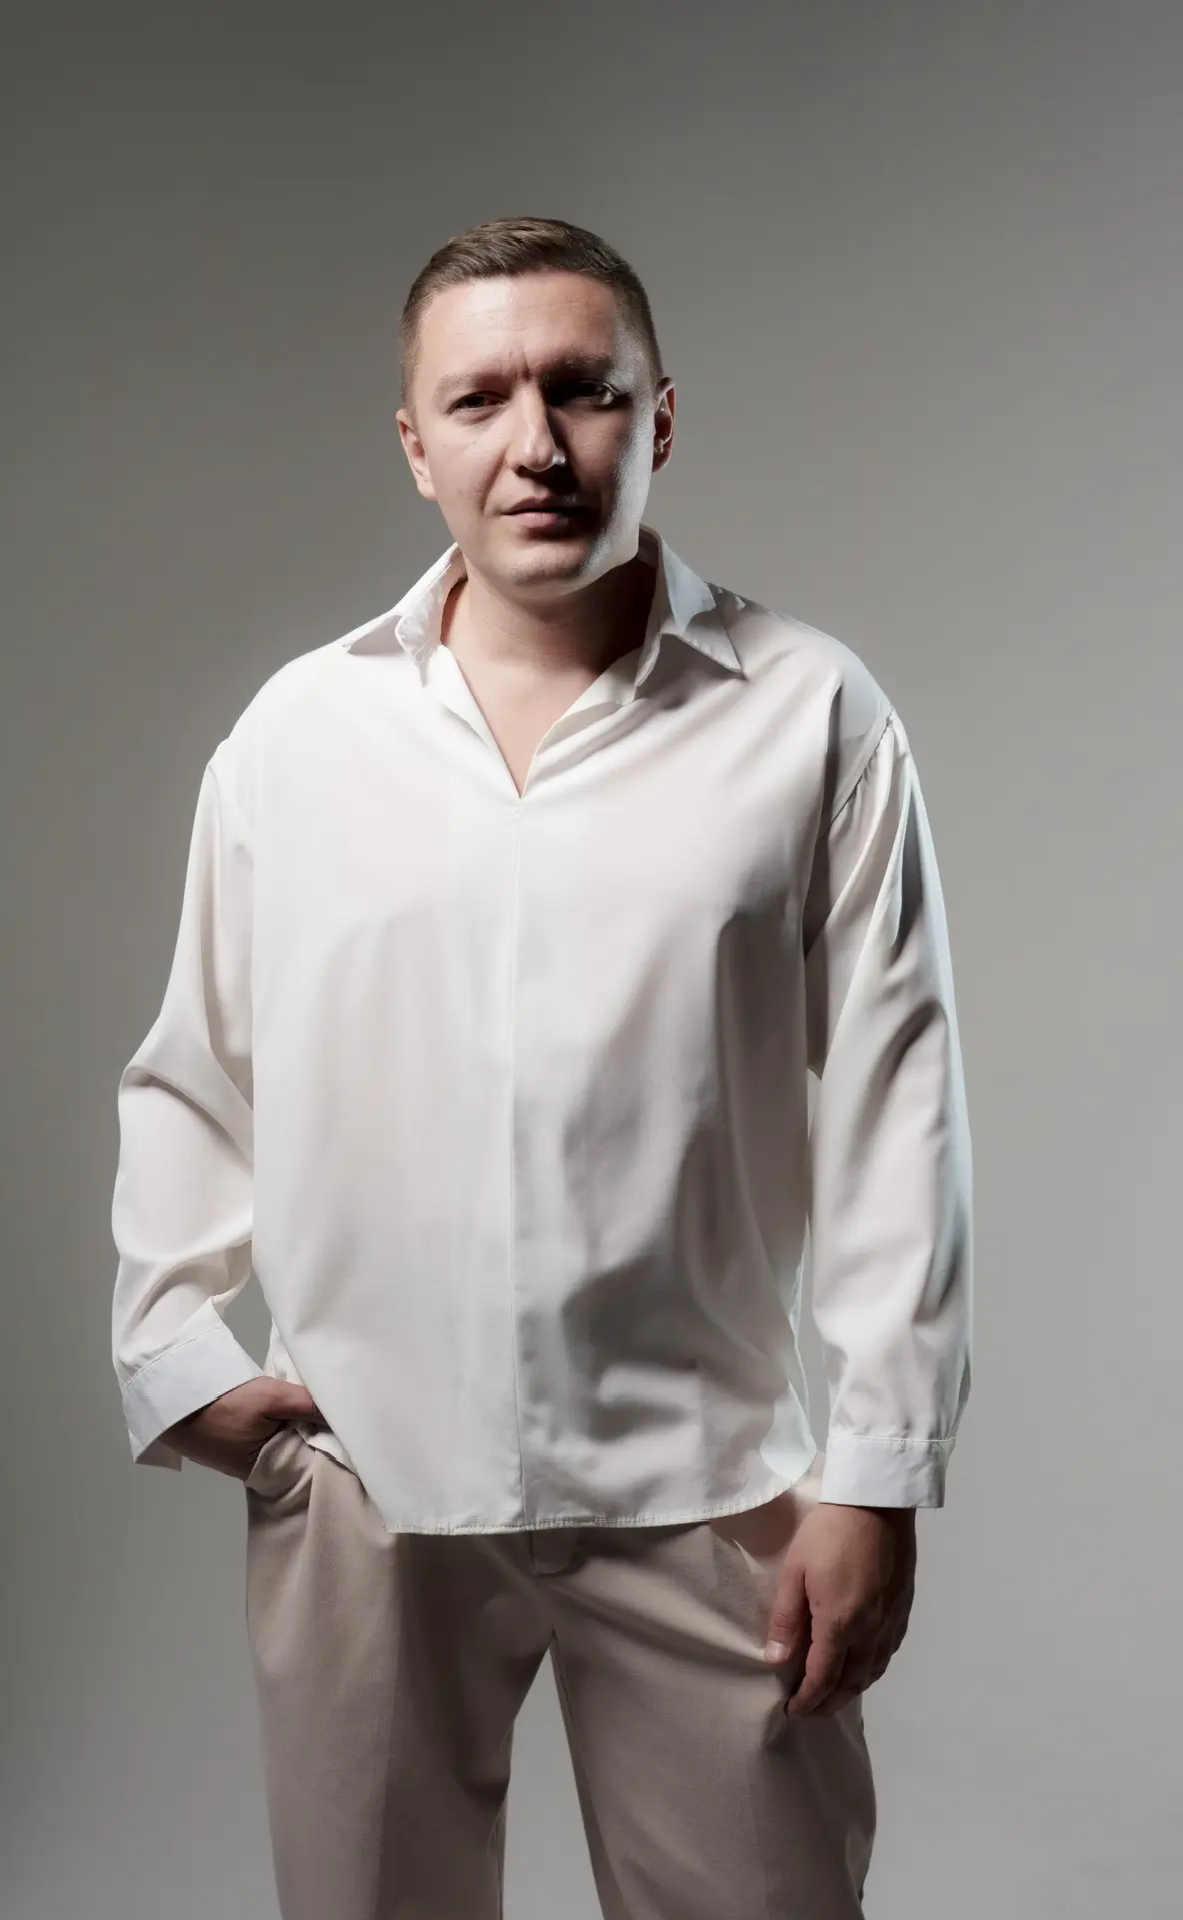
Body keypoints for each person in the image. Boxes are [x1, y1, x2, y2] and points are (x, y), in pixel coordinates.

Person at [110, 214, 972, 1920]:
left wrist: (879, 1477)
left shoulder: (813, 715)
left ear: (659, 418)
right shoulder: (296, 737)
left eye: (583, 391)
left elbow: (900, 1103)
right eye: (480, 399)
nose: (537, 445)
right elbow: (197, 1060)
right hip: (365, 1473)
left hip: (710, 1483)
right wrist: (170, 1350)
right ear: (413, 442)